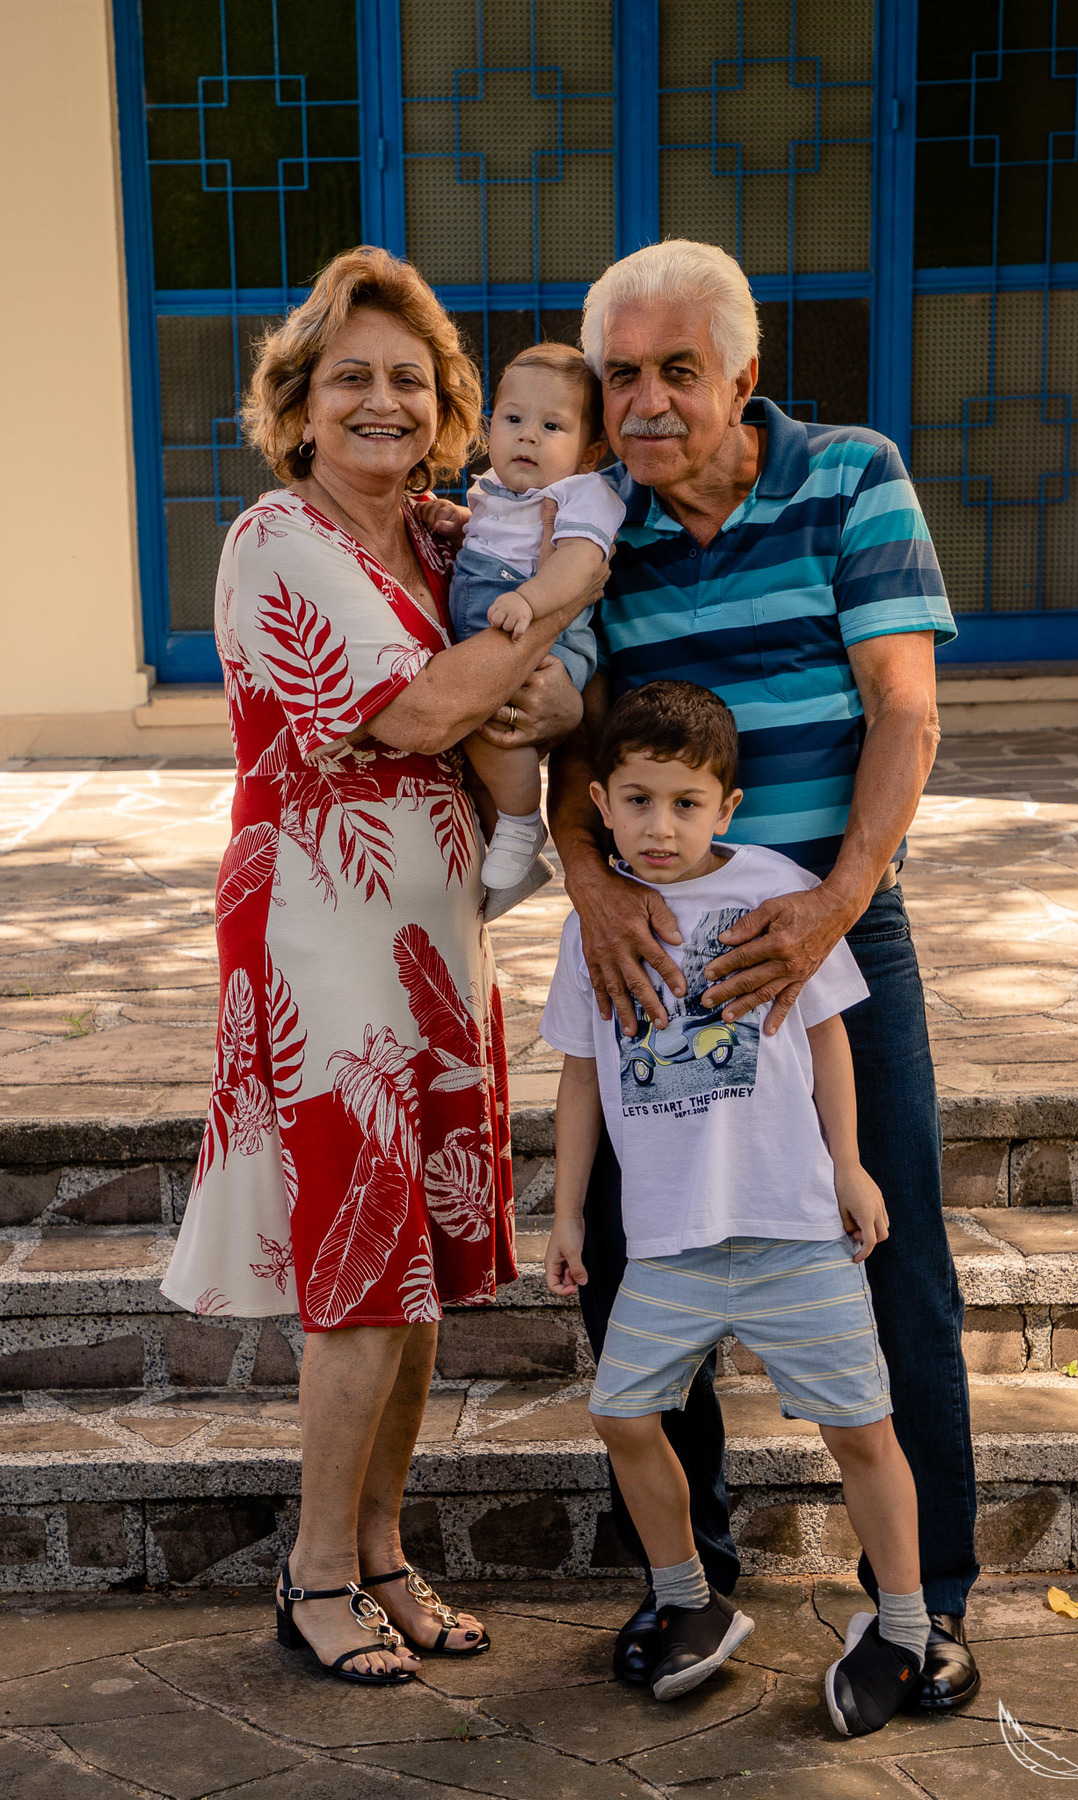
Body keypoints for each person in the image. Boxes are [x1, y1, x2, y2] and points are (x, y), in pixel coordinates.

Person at [548, 240, 980, 1710]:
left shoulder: (851, 474)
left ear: (746, 375)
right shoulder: (597, 526)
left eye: (681, 369)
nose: (650, 400)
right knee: (634, 1259)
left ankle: (929, 1607)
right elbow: (574, 744)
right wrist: (594, 883)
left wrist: (836, 910)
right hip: (652, 946)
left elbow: (902, 716)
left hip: (838, 929)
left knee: (896, 1261)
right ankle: (691, 1590)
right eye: (623, 374)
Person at [162, 245, 593, 1685]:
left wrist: (524, 642)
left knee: (412, 1280)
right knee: (358, 1274)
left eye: (410, 380)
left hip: (434, 940)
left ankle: (390, 1552)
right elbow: (416, 714)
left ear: (448, 405)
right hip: (318, 947)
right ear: (297, 404)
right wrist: (537, 624)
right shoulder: (279, 540)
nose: (382, 402)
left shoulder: (446, 540)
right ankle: (316, 1569)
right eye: (349, 376)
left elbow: (542, 702)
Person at [542, 682, 929, 1736]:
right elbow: (580, 1074)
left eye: (683, 803)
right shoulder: (598, 919)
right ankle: (689, 1604)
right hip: (668, 1235)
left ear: (728, 807)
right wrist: (570, 1211)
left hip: (789, 1221)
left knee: (861, 1429)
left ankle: (903, 1624)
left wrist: (848, 1166)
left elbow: (832, 1035)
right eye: (636, 801)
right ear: (602, 804)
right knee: (623, 1415)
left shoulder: (775, 890)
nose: (658, 827)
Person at [448, 343, 625, 912]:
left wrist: (530, 598)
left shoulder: (582, 493)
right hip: (496, 628)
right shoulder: (492, 490)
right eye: (514, 419)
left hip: (553, 640)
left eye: (553, 425)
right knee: (473, 744)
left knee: (490, 719)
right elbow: (489, 535)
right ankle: (506, 843)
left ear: (589, 452)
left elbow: (579, 563)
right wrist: (450, 522)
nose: (528, 436)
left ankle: (523, 826)